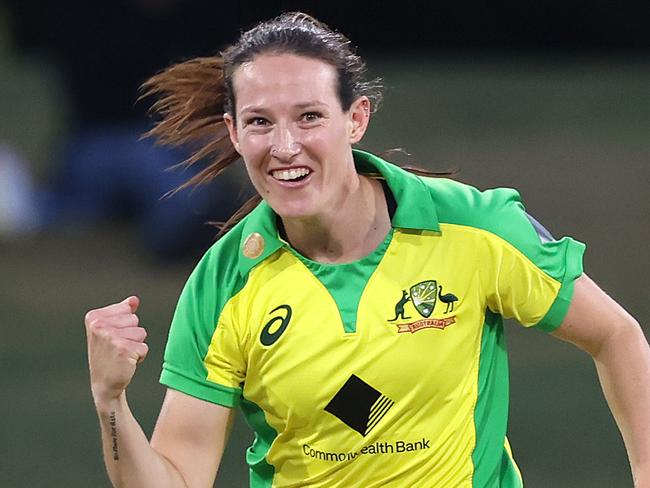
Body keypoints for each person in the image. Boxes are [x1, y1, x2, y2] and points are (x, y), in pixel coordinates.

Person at [84, 12, 650, 488]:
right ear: (234, 134)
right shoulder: (224, 283)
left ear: (355, 120)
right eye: (260, 122)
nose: (285, 147)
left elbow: (617, 336)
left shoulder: (473, 228)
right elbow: (177, 479)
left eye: (309, 116)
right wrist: (111, 402)